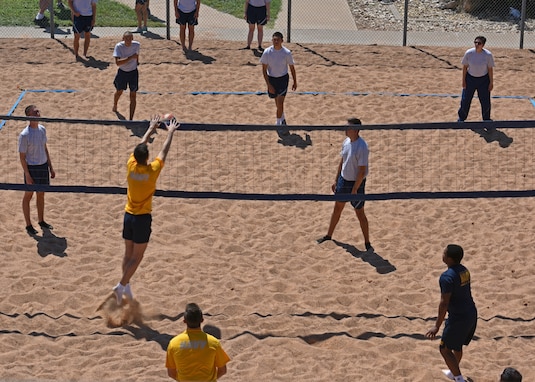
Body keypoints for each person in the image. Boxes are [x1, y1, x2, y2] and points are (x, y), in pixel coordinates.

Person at [112, 115, 180, 305]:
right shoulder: (152, 171)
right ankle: (121, 285)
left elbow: (139, 146)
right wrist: (171, 133)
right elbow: (164, 151)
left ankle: (126, 287)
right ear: (147, 158)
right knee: (138, 256)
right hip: (142, 218)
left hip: (128, 216)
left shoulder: (130, 165)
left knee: (127, 254)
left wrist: (150, 129)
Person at [316, 118, 373, 252]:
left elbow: (362, 171)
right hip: (343, 180)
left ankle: (367, 243)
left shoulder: (362, 147)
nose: (345, 129)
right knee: (337, 209)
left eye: (347, 127)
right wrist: (336, 180)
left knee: (360, 214)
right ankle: (328, 235)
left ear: (356, 130)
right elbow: (342, 161)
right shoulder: (346, 142)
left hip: (356, 184)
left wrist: (355, 189)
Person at [425, 244, 478, 382]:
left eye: (444, 252)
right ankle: (454, 372)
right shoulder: (464, 271)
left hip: (458, 318)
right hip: (471, 313)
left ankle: (459, 379)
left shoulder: (446, 277)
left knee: (444, 348)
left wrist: (436, 326)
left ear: (449, 258)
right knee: (457, 345)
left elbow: (444, 303)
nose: (442, 254)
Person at [166, 303, 230, 381]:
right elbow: (222, 370)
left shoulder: (174, 343)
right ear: (202, 320)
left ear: (184, 321)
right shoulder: (213, 342)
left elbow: (171, 373)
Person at [18, 105, 56, 235]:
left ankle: (41, 221)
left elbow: (45, 149)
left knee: (41, 194)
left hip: (43, 166)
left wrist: (50, 167)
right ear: (29, 116)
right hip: (32, 168)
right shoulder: (24, 135)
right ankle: (28, 225)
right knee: (28, 196)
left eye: (38, 111)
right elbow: (22, 157)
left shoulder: (42, 130)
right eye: (35, 112)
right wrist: (27, 175)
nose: (38, 113)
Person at [260, 31, 297, 137]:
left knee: (280, 102)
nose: (275, 42)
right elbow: (264, 70)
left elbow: (292, 67)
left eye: (277, 40)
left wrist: (295, 81)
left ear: (282, 41)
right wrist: (269, 85)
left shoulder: (286, 53)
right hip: (272, 79)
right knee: (277, 103)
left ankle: (278, 125)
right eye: (274, 39)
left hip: (283, 79)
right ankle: (283, 118)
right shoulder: (267, 52)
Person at [457, 36, 495, 122]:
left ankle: (486, 120)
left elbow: (490, 69)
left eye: (479, 43)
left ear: (483, 45)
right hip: (470, 79)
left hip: (483, 80)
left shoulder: (488, 55)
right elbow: (465, 67)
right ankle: (461, 118)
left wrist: (491, 82)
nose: (477, 45)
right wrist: (463, 81)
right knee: (465, 99)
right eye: (475, 42)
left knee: (485, 101)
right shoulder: (469, 53)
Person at [112, 31, 141, 121]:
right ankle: (115, 105)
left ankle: (131, 119)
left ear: (132, 39)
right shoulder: (119, 46)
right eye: (126, 38)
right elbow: (118, 63)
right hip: (122, 72)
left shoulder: (136, 45)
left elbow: (137, 55)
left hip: (133, 72)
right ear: (123, 39)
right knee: (119, 91)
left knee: (133, 95)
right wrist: (130, 58)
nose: (128, 40)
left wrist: (136, 61)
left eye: (130, 38)